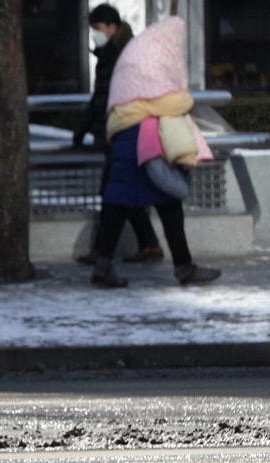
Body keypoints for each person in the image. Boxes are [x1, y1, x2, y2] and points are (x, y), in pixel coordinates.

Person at [90, 16, 219, 288]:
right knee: (166, 203)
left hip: (127, 136)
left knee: (120, 204)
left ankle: (104, 266)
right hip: (148, 139)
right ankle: (183, 267)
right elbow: (171, 101)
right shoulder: (153, 64)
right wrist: (186, 100)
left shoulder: (133, 57)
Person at [74, 4, 162, 267]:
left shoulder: (120, 55)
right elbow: (100, 98)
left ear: (112, 27)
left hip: (123, 134)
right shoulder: (113, 53)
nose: (95, 35)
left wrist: (84, 129)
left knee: (113, 193)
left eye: (97, 29)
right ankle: (150, 245)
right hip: (120, 133)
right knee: (127, 193)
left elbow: (105, 99)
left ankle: (102, 253)